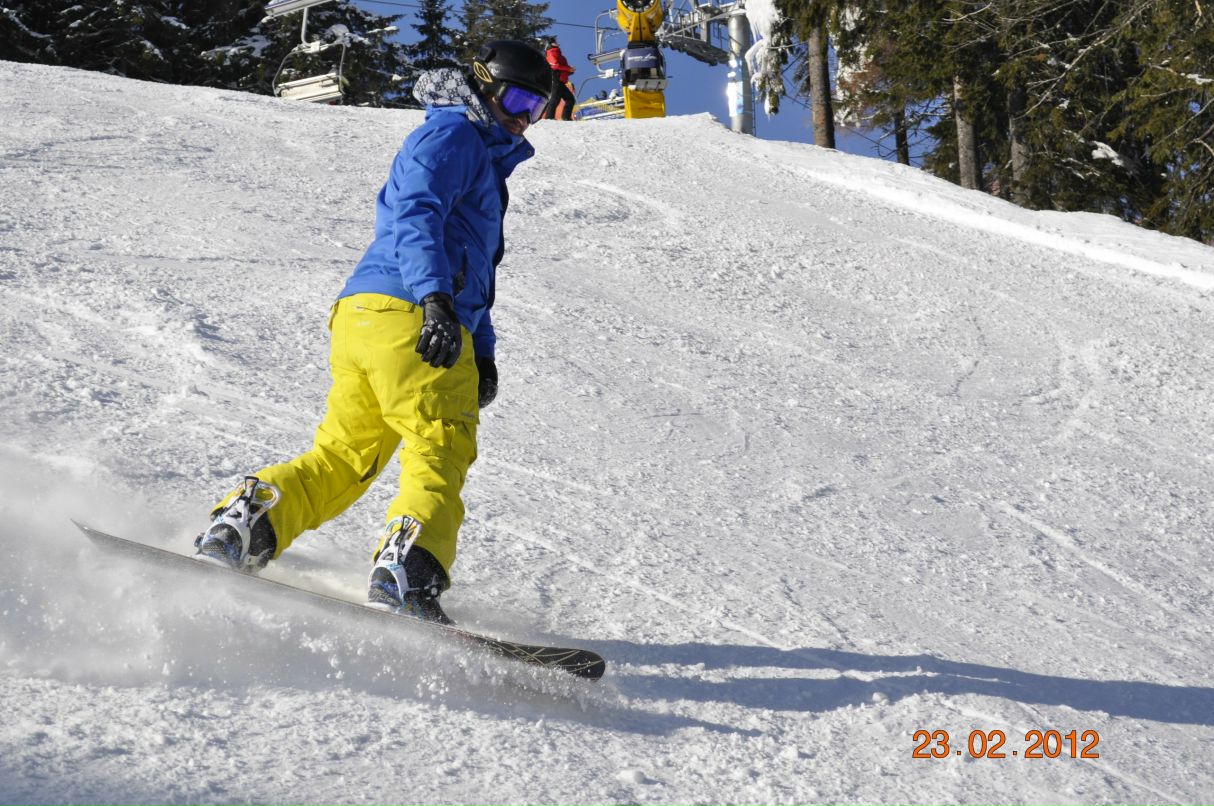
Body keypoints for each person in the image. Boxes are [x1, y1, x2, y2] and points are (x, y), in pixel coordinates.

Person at [193, 41, 553, 625]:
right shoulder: (456, 135)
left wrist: (483, 352)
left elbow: (475, 270)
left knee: (344, 455)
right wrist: (434, 298)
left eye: (536, 109)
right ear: (483, 85)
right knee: (439, 446)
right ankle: (408, 572)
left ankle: (249, 522)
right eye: (515, 100)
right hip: (414, 316)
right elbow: (415, 213)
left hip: (366, 318)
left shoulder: (471, 150)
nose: (522, 118)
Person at [541, 36, 576, 121]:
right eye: (554, 42)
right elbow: (555, 66)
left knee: (570, 99)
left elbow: (561, 68)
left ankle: (566, 117)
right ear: (550, 44)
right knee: (555, 99)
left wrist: (570, 71)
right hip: (555, 80)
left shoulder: (559, 54)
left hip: (561, 81)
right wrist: (568, 69)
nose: (557, 43)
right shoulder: (551, 53)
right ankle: (549, 118)